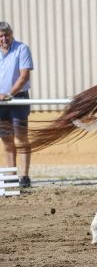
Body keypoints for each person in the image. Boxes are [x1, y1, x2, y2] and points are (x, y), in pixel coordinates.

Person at [0, 22, 34, 188]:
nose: (4, 38)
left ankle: (24, 176)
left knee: (21, 138)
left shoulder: (22, 49)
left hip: (18, 99)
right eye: (1, 36)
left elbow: (24, 76)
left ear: (11, 34)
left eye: (6, 35)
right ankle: (11, 176)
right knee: (6, 140)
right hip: (1, 103)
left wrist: (9, 94)